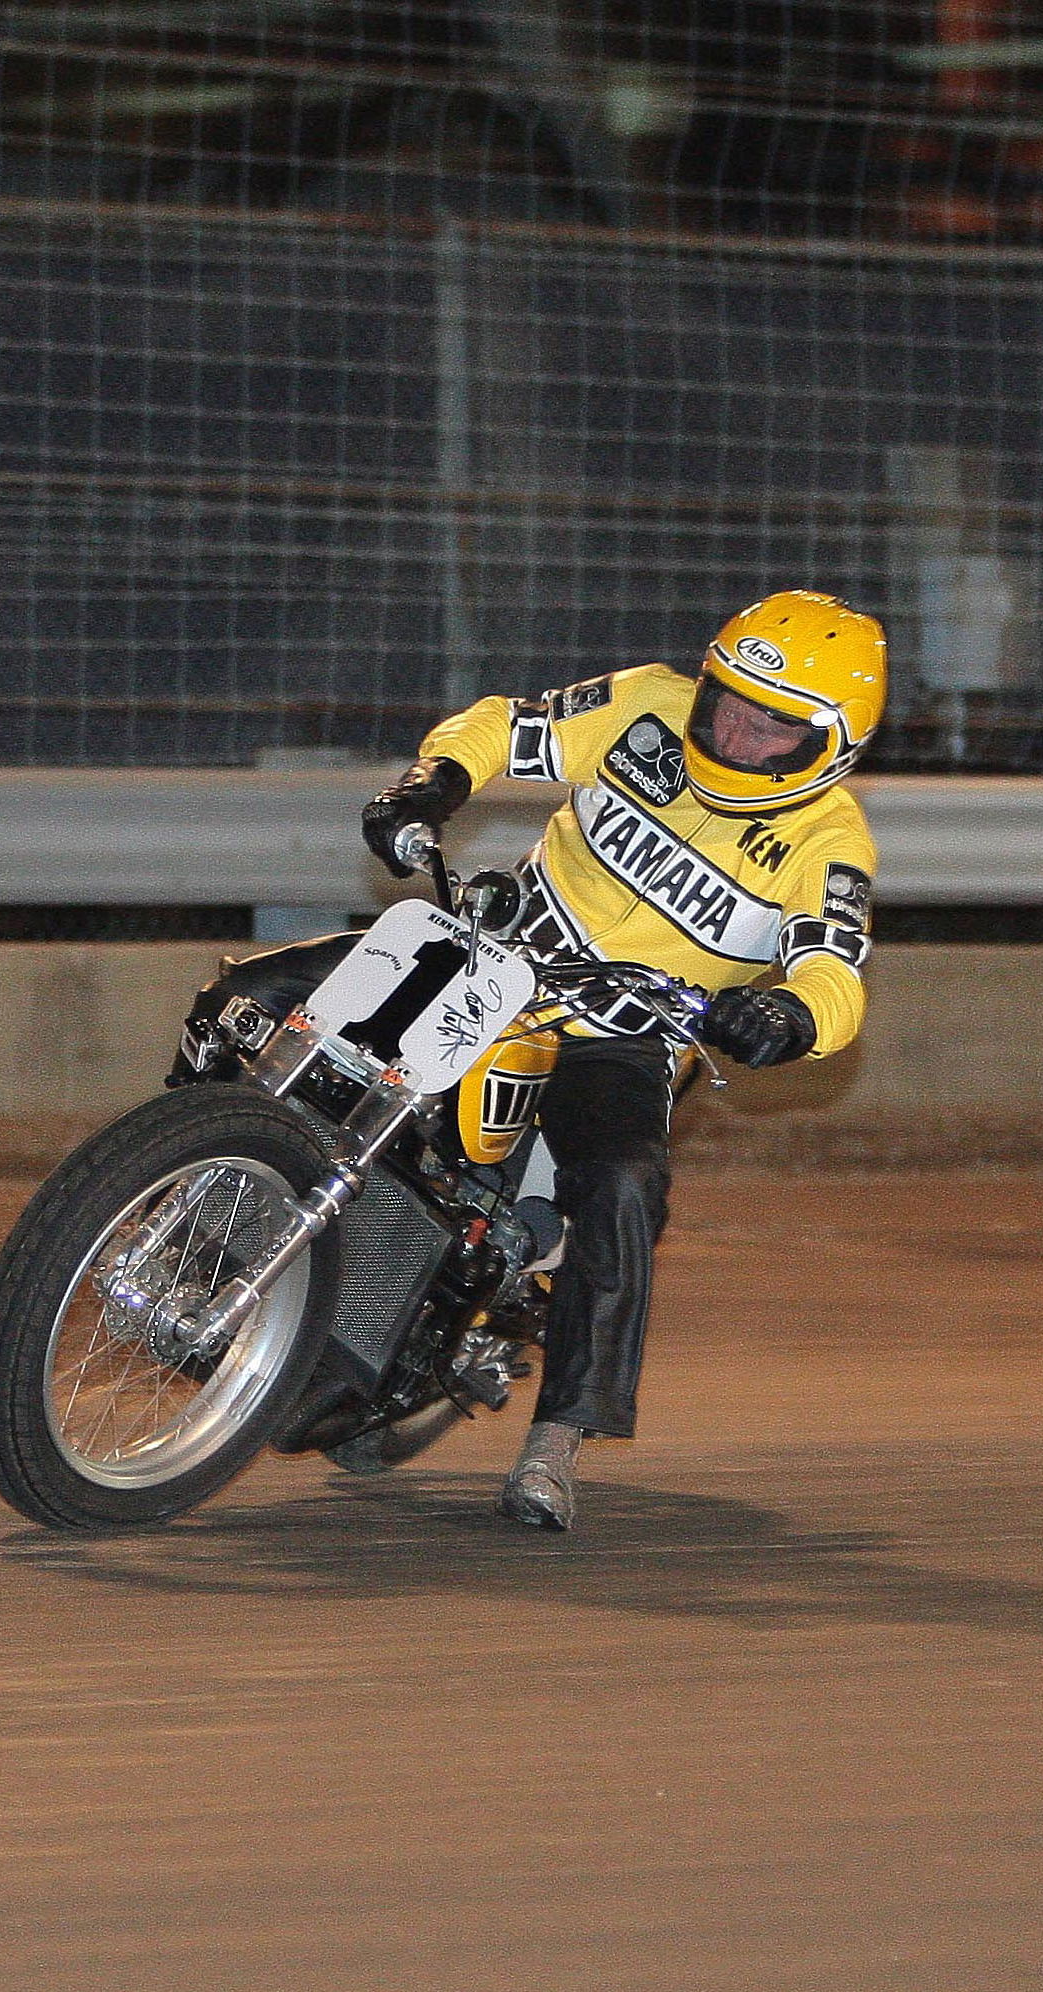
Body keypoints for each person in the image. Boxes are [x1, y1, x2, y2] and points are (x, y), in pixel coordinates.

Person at [183, 590, 885, 1531]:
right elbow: (502, 726)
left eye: (772, 725)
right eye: (728, 700)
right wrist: (435, 782)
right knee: (246, 996)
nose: (733, 730)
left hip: (623, 1032)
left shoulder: (828, 840)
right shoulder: (647, 705)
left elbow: (836, 972)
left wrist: (790, 1015)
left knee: (625, 1185)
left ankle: (559, 1435)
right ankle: (163, 1199)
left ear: (831, 746)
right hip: (495, 952)